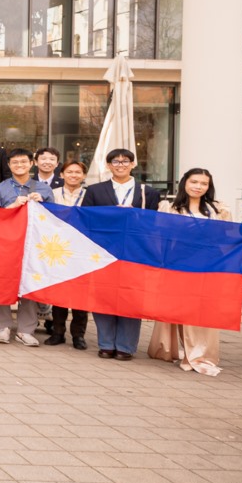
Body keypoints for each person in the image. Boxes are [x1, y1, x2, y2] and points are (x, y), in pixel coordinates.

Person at [146, 168, 234, 376]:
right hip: (178, 264)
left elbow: (228, 236)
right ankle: (168, 348)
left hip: (208, 266)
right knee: (177, 308)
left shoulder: (218, 209)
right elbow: (159, 236)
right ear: (184, 183)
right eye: (194, 182)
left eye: (203, 183)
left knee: (202, 310)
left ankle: (199, 353)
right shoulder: (169, 208)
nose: (198, 186)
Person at [81, 148, 161, 360]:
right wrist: (110, 215)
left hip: (136, 253)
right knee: (103, 297)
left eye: (125, 161)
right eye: (115, 162)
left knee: (131, 297)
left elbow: (153, 224)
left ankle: (126, 346)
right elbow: (85, 220)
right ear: (108, 165)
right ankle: (106, 344)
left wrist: (133, 216)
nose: (120, 165)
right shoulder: (95, 190)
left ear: (133, 164)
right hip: (104, 252)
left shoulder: (148, 192)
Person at [0, 149, 55, 346]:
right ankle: (3, 327)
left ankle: (26, 330)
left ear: (31, 163)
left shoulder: (43, 189)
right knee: (2, 284)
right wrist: (12, 206)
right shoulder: (0, 189)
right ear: (9, 165)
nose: (19, 165)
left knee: (29, 285)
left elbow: (54, 218)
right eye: (15, 162)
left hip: (34, 245)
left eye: (23, 162)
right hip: (5, 245)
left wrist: (43, 204)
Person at [44, 160, 89, 350]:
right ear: (61, 175)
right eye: (69, 172)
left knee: (81, 294)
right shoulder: (52, 194)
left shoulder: (90, 195)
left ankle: (78, 335)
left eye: (78, 172)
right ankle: (58, 332)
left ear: (84, 176)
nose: (73, 175)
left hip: (83, 249)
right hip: (58, 248)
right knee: (59, 292)